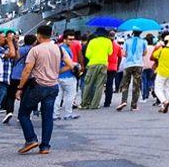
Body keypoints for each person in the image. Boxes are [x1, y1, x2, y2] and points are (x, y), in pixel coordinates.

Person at [14, 24, 74, 155]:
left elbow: (27, 70)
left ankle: (31, 139)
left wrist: (20, 88)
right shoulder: (59, 49)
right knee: (47, 117)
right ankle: (45, 146)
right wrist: (56, 72)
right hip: (53, 86)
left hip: (37, 86)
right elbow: (70, 65)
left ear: (38, 35)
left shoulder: (35, 50)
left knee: (23, 114)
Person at [80, 28, 113, 110]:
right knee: (99, 85)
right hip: (103, 64)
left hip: (92, 64)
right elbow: (110, 53)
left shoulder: (92, 41)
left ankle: (85, 103)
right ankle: (94, 105)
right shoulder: (108, 41)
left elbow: (88, 54)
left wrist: (94, 58)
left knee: (88, 84)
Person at [116, 30, 146, 112]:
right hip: (138, 65)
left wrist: (130, 56)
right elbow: (144, 53)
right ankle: (134, 105)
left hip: (128, 65)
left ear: (133, 33)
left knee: (125, 83)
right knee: (136, 85)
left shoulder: (127, 41)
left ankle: (124, 101)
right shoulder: (143, 42)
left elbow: (124, 54)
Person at [55, 30, 81, 120]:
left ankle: (55, 114)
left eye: (73, 39)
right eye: (69, 39)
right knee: (70, 95)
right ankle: (68, 113)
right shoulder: (66, 49)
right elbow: (69, 63)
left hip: (58, 76)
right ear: (64, 39)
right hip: (68, 75)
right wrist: (76, 65)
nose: (71, 41)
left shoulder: (58, 48)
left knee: (58, 96)